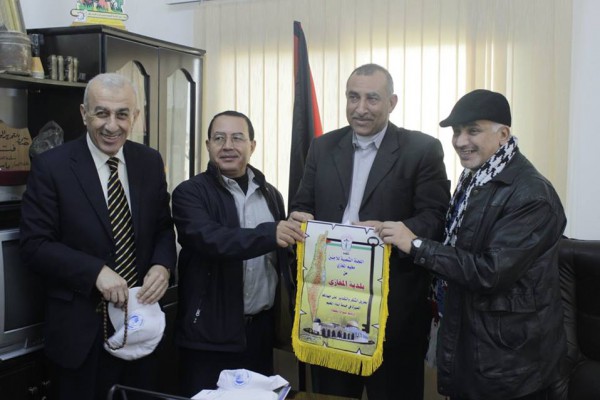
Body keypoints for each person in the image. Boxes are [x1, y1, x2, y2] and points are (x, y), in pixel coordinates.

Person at [372, 89, 567, 399]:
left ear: (503, 135)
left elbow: (490, 272)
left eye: (473, 130)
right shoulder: (476, 179)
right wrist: (389, 232)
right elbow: (457, 244)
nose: (460, 141)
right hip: (474, 345)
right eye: (456, 131)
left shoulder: (531, 195)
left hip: (509, 365)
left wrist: (417, 245)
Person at [289, 63, 450, 400]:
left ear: (391, 102)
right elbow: (302, 205)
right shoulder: (322, 146)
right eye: (353, 97)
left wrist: (395, 231)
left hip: (393, 309)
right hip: (329, 307)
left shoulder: (421, 149)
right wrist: (300, 218)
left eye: (372, 99)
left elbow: (435, 218)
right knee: (331, 395)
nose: (360, 108)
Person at [19, 73, 177, 400]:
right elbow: (35, 246)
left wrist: (162, 265)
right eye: (101, 113)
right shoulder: (52, 167)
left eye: (122, 114)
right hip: (80, 337)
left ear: (135, 116)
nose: (111, 125)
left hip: (142, 327)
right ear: (84, 113)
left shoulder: (149, 162)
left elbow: (163, 226)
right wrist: (95, 272)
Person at [171, 110, 305, 397]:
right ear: (208, 145)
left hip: (259, 332)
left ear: (252, 145)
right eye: (219, 138)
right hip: (209, 334)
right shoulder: (189, 193)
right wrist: (270, 234)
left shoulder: (271, 194)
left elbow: (279, 257)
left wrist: (301, 236)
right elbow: (210, 239)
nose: (228, 146)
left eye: (237, 138)